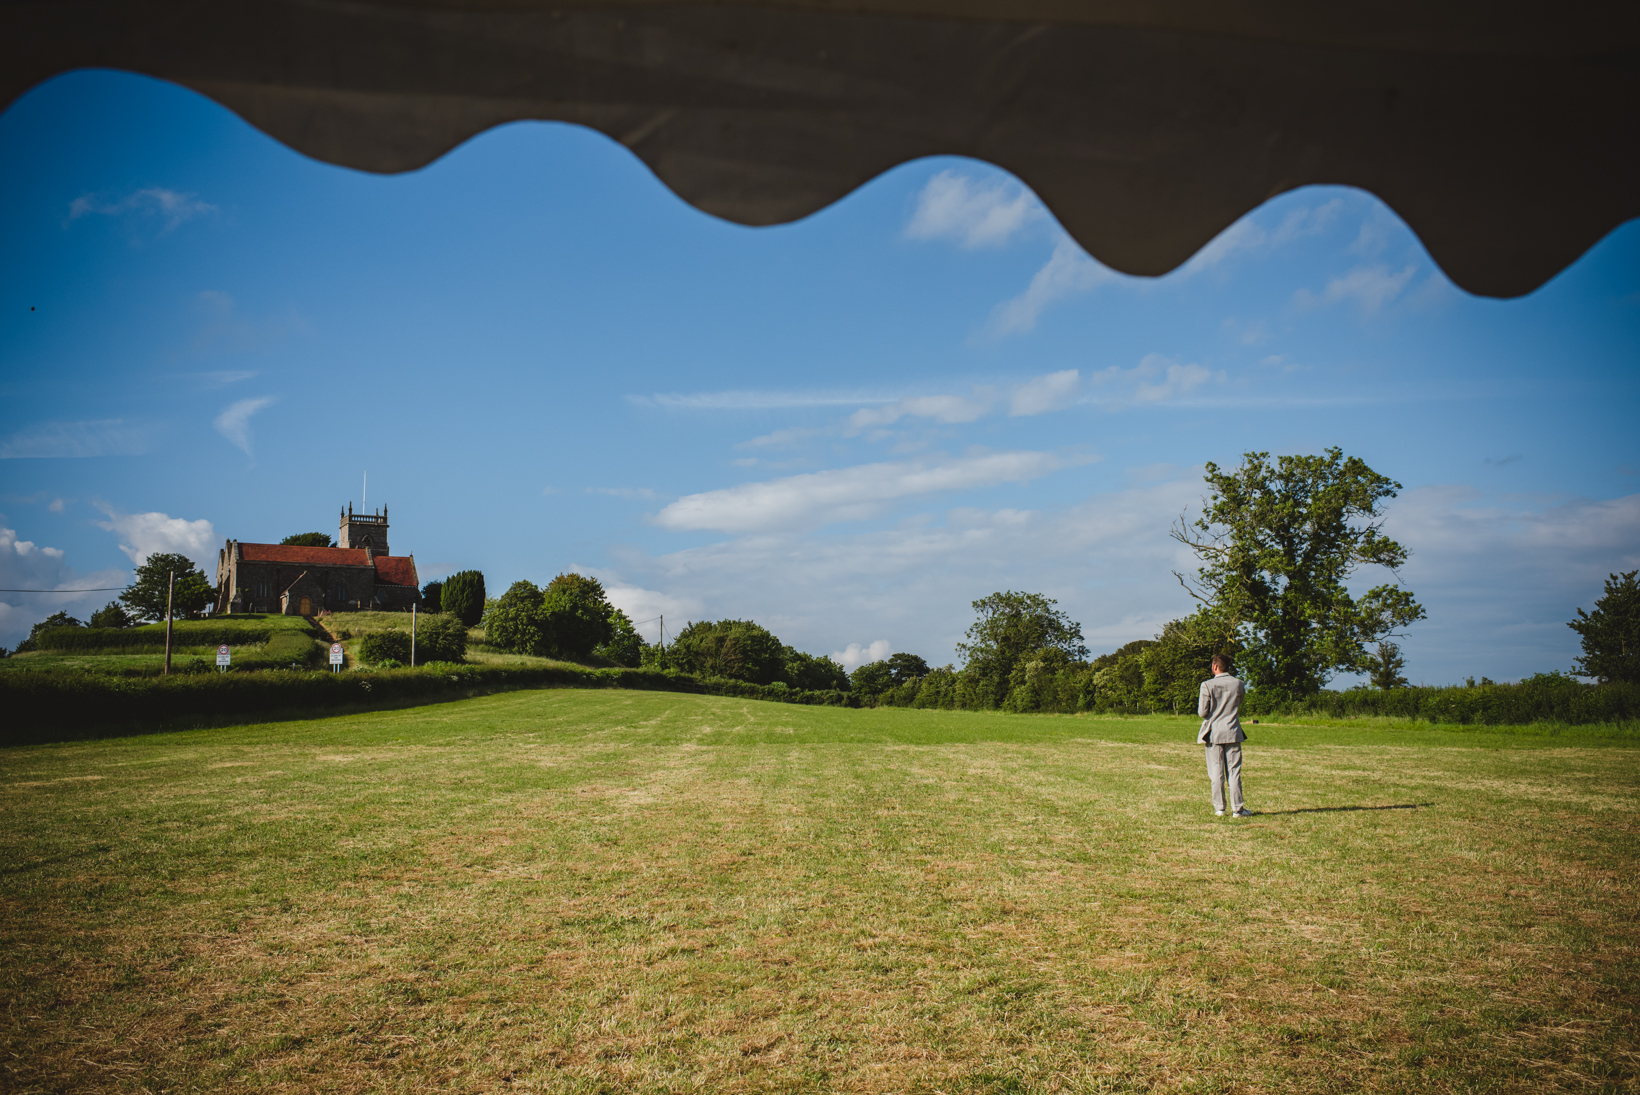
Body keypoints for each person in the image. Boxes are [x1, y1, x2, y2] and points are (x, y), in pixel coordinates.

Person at [1198, 653, 1250, 817]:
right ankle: (1238, 809)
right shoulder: (1239, 684)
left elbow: (1202, 712)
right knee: (1234, 772)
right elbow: (1239, 702)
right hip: (1233, 731)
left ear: (1215, 666)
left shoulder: (1207, 685)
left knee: (1216, 772)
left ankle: (1219, 808)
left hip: (1214, 733)